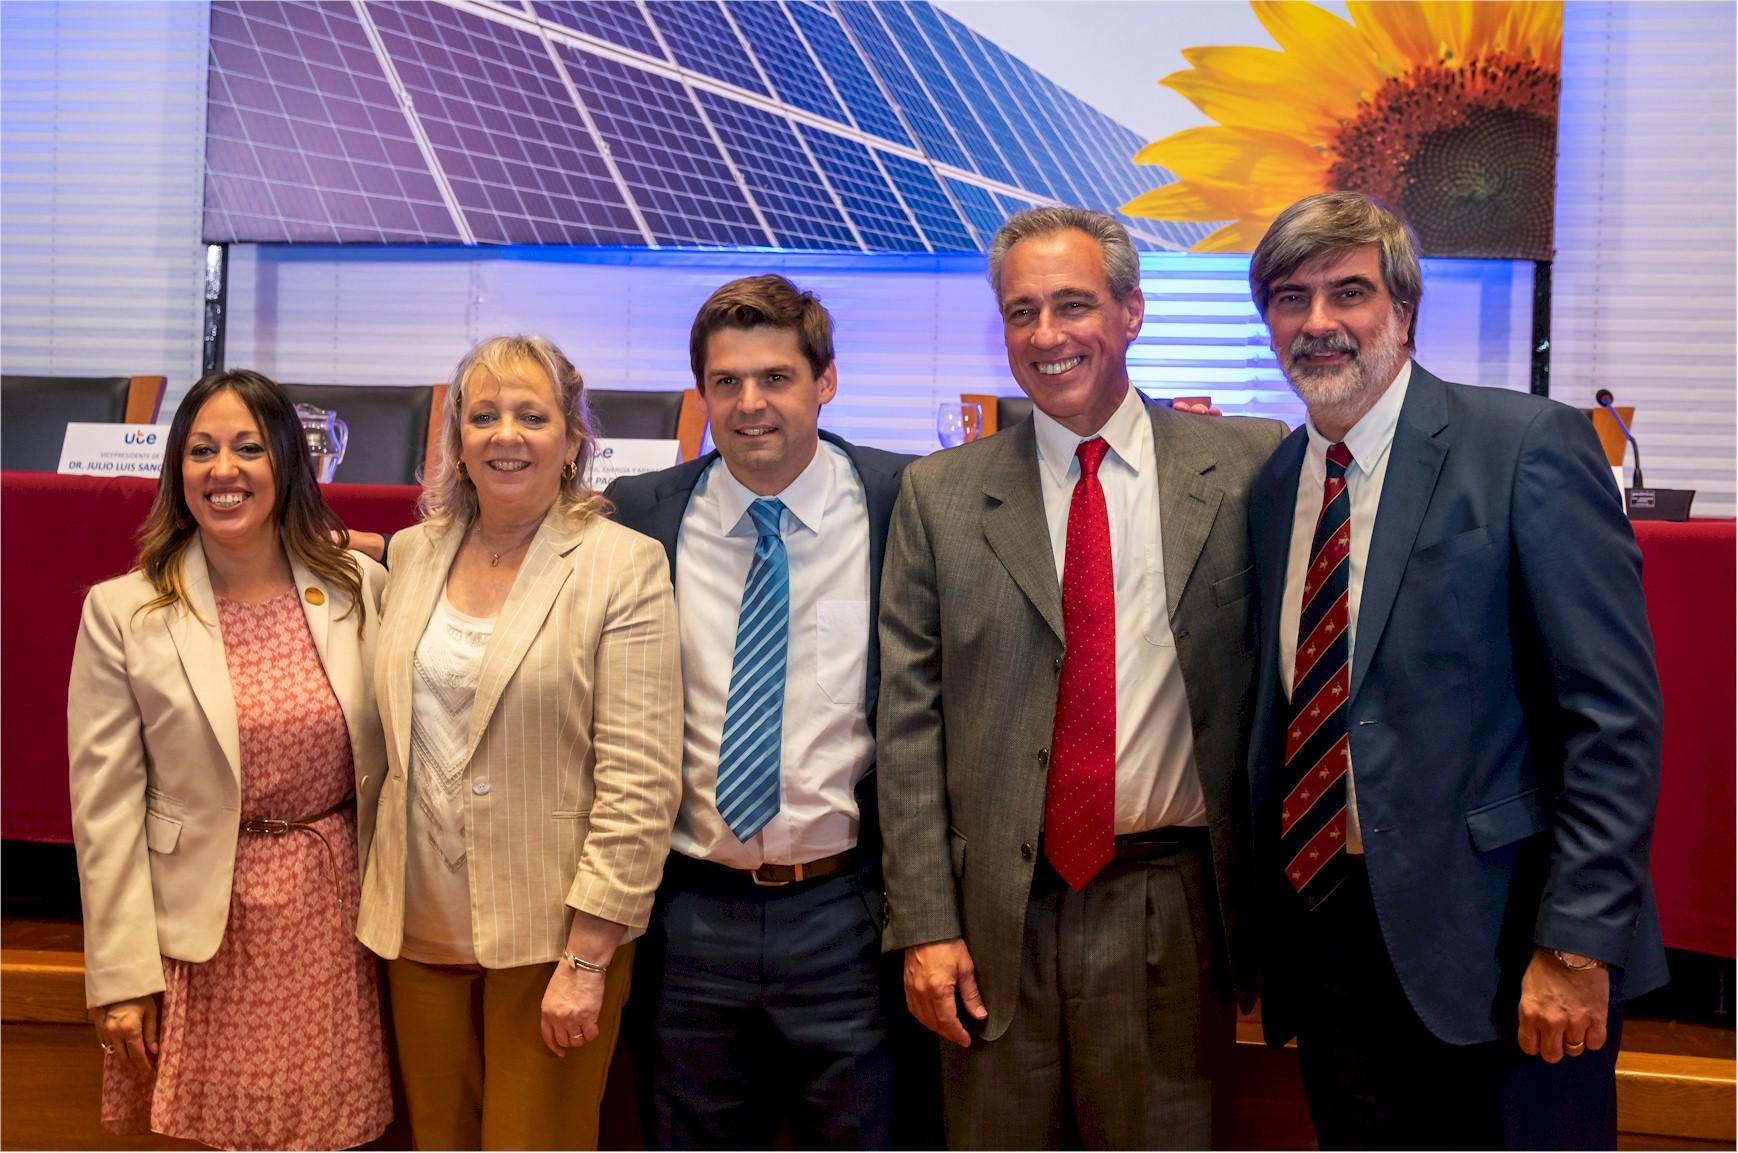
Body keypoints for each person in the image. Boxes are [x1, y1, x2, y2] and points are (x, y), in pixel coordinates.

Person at [1243, 190, 1667, 1149]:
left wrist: (1577, 942)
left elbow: (1614, 720)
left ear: (1405, 310)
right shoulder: (1278, 485)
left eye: (1346, 292)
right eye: (1290, 297)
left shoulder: (1525, 447)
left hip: (1507, 946)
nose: (1317, 322)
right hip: (1332, 938)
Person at [876, 206, 1286, 1149]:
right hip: (990, 923)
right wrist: (927, 925)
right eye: (1023, 313)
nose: (1047, 336)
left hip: (1169, 908)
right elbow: (906, 725)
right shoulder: (939, 496)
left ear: (1132, 311)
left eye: (1072, 305)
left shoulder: (1248, 466)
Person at [604, 274, 938, 1149]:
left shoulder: (906, 500)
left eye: (776, 378)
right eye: (727, 382)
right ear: (702, 392)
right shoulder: (639, 516)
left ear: (824, 382)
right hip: (689, 919)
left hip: (847, 917)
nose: (751, 404)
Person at [355, 334, 682, 1150]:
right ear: (457, 440)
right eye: (484, 415)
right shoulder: (415, 552)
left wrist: (589, 957)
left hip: (551, 935)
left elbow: (640, 780)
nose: (506, 434)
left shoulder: (623, 564)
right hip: (417, 925)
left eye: (533, 416)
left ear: (573, 440)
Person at [68, 369, 392, 1149]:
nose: (224, 470)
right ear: (176, 470)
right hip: (204, 934)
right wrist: (120, 978)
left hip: (334, 924)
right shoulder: (125, 611)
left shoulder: (359, 589)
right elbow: (106, 811)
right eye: (202, 450)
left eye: (249, 447)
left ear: (286, 461)